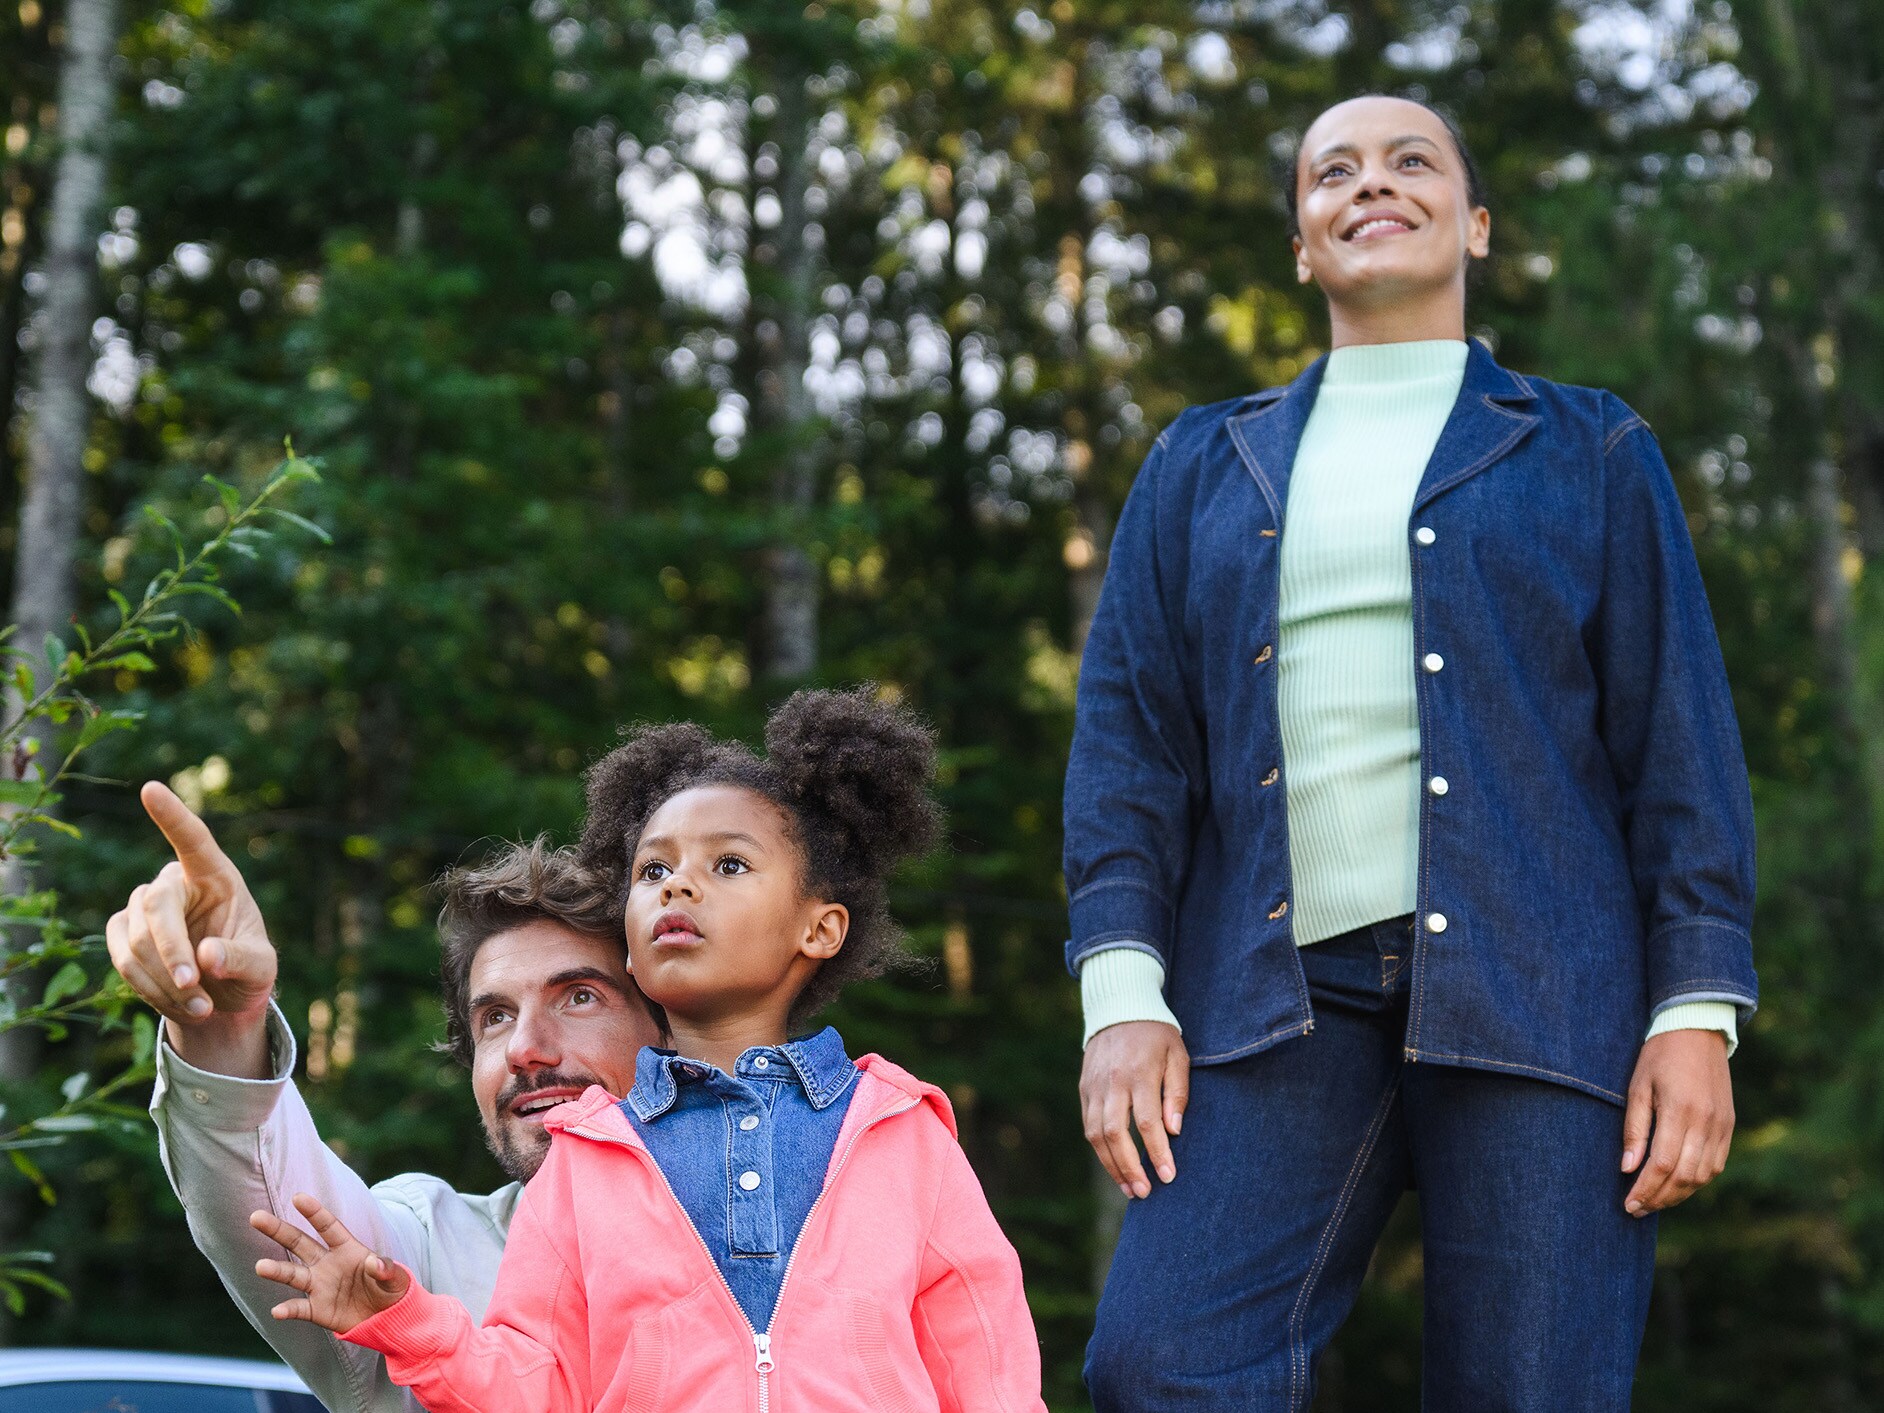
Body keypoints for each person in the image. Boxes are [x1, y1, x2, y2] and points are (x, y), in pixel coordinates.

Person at [1065, 94, 1757, 1410]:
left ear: (1475, 223)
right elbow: (1129, 757)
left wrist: (1695, 1013)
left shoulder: (1591, 448)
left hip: (1545, 989)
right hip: (1270, 995)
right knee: (1159, 1363)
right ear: (1302, 245)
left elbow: (1679, 750)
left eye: (1410, 161)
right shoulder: (1200, 462)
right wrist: (1122, 997)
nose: (1371, 183)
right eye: (1333, 171)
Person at [248, 687, 1049, 1413]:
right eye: (653, 868)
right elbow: (538, 1385)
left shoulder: (902, 1132)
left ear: (820, 927)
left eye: (727, 863)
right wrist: (404, 1318)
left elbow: (992, 1375)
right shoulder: (584, 1158)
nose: (676, 884)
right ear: (631, 948)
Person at [108, 780, 662, 1413]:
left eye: (580, 998)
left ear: (671, 1030)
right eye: (496, 1017)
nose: (524, 1048)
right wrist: (221, 1022)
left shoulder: (758, 1240)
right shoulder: (428, 1249)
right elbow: (271, 1204)